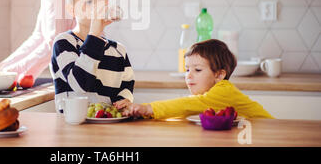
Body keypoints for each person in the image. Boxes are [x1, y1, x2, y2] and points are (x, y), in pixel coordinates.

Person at [116, 39, 274, 119]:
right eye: (187, 69)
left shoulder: (223, 91)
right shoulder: (207, 95)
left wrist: (146, 108)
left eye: (197, 70)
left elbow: (185, 105)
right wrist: (142, 112)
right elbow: (182, 110)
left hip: (269, 133)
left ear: (219, 75)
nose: (189, 75)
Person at [50, 0, 135, 113]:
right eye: (88, 2)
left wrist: (124, 101)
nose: (96, 7)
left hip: (107, 129)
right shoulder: (64, 43)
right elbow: (80, 85)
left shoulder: (119, 50)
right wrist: (94, 34)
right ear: (72, 10)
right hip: (73, 130)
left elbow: (126, 87)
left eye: (100, 1)